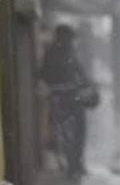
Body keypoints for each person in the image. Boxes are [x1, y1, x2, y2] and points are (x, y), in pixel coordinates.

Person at [39, 24, 91, 177]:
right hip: (62, 101)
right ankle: (71, 166)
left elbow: (80, 73)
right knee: (67, 135)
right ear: (60, 37)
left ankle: (77, 164)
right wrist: (64, 88)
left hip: (76, 100)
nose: (70, 41)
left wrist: (87, 86)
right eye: (68, 38)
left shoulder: (71, 52)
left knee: (79, 133)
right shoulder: (52, 54)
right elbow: (46, 77)